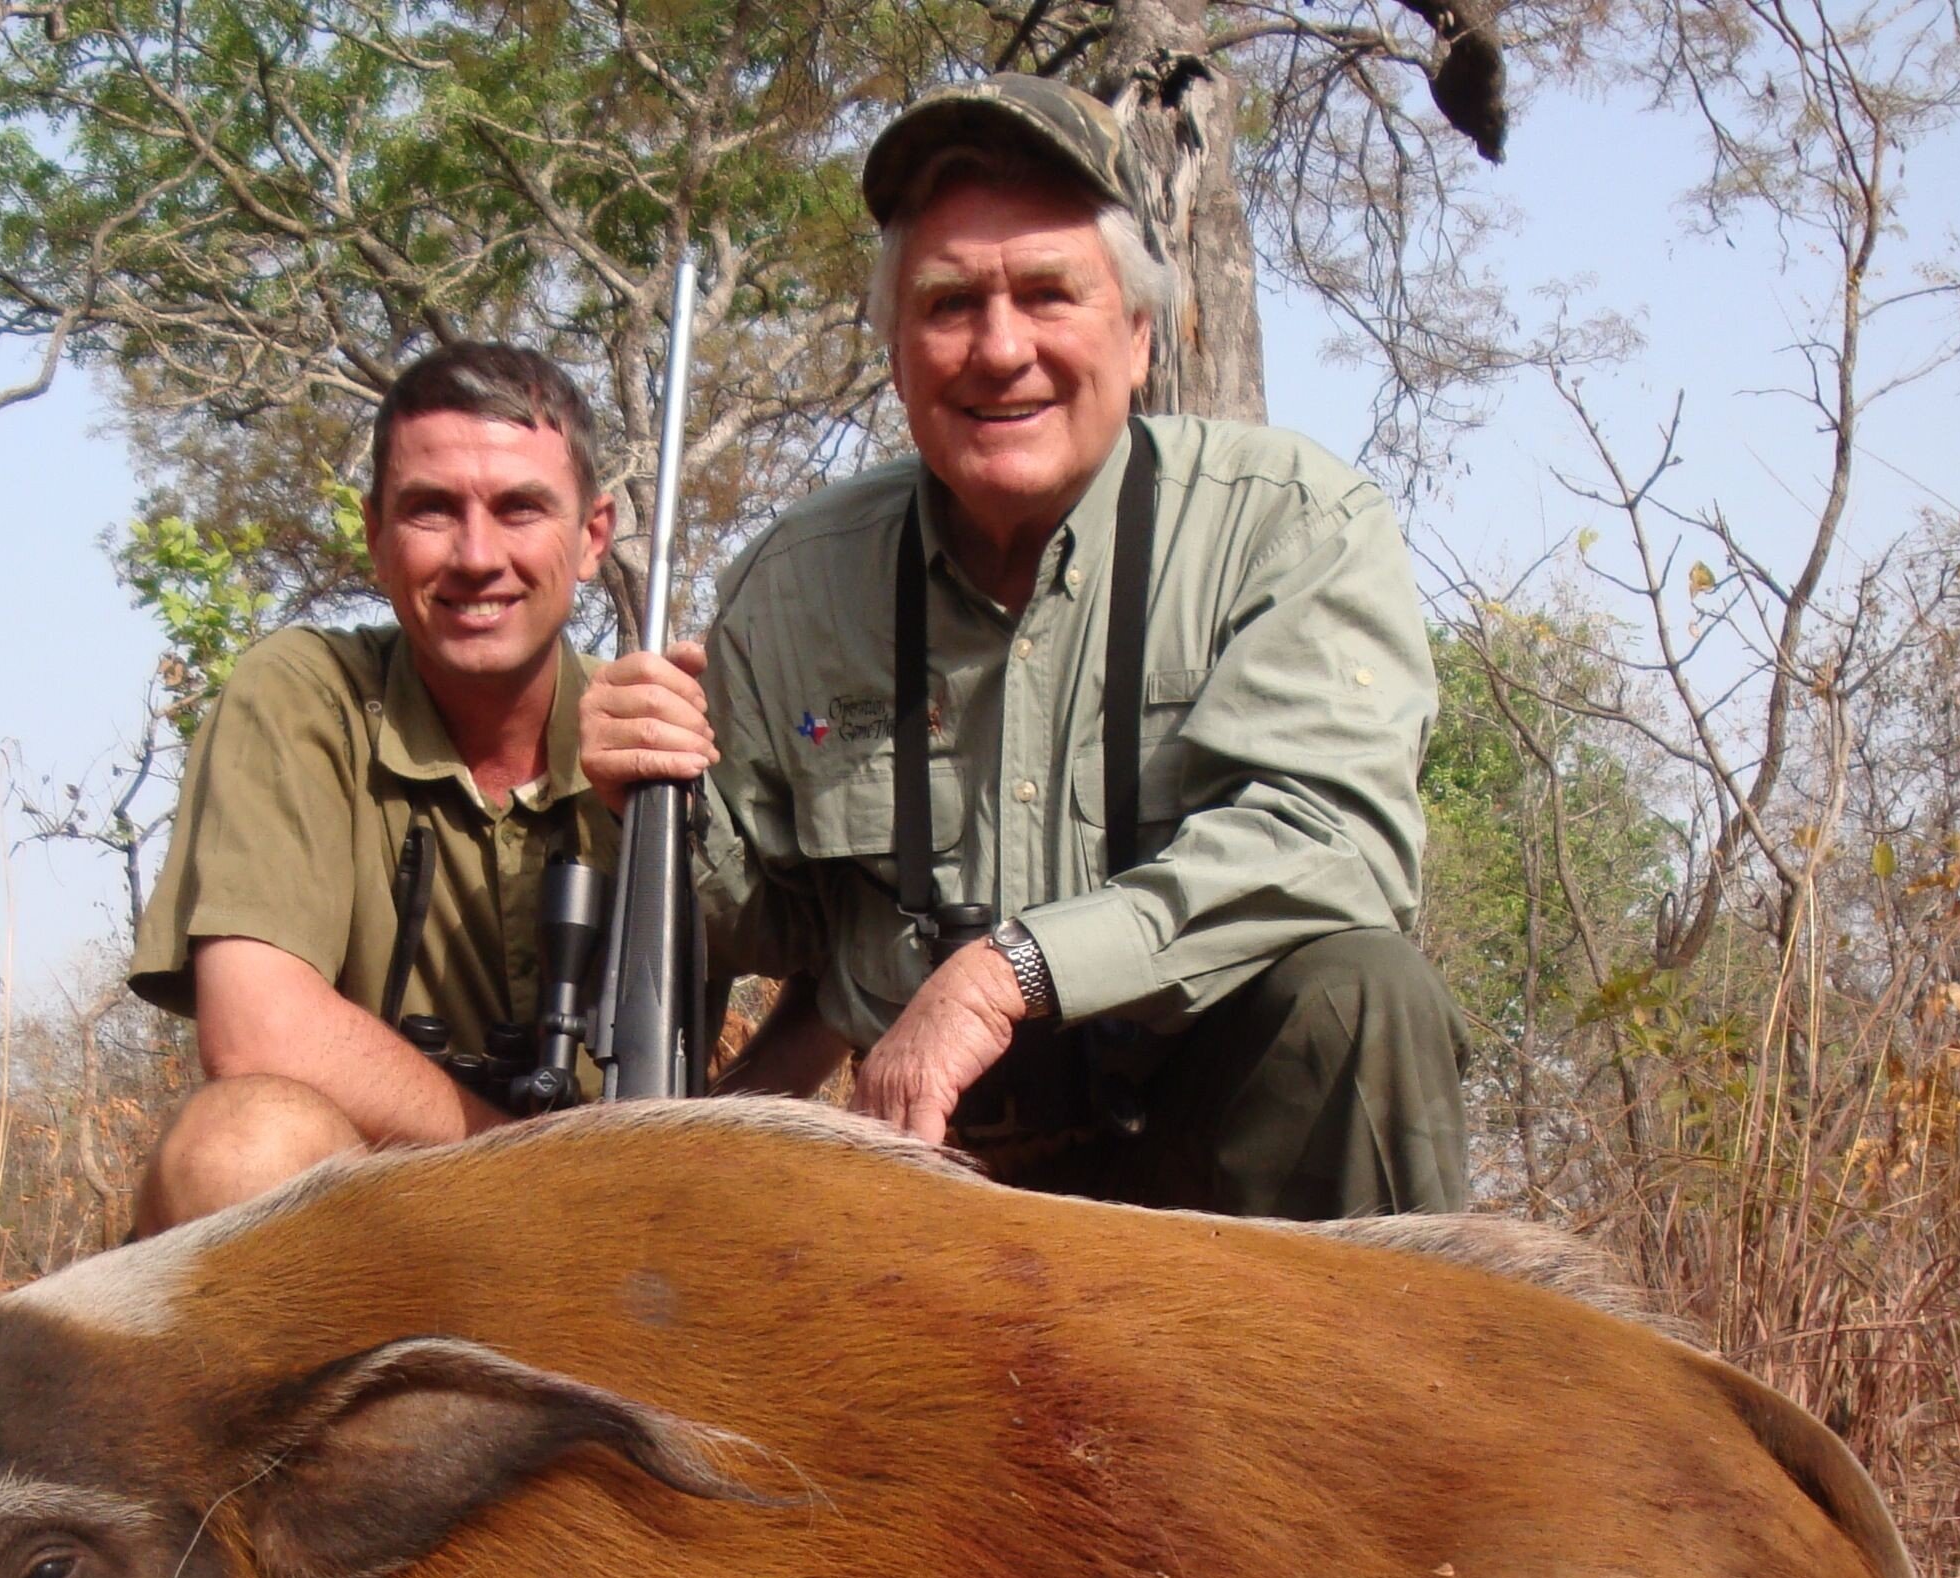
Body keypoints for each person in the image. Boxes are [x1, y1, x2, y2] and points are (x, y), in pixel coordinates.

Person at [579, 75, 1470, 1219]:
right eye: (949, 305)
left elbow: (1337, 840)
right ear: (896, 351)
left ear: (1142, 335)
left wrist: (1005, 975)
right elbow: (769, 915)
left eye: (1050, 294)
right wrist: (647, 801)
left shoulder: (1292, 523)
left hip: (1217, 1153)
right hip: (931, 1163)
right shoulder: (795, 582)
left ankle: (1393, 1390)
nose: (1000, 351)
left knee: (1363, 998)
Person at [129, 343, 619, 1232]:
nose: (477, 557)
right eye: (432, 511)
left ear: (592, 537)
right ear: (375, 537)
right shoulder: (303, 691)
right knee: (241, 1143)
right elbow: (255, 1032)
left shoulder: (660, 737)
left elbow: (829, 967)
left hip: (618, 1246)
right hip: (370, 1247)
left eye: (520, 509)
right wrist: (527, 1177)